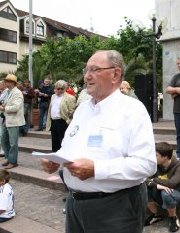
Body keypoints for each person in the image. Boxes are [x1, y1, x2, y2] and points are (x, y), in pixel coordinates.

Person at [40, 50, 157, 233]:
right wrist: (56, 159)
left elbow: (146, 164)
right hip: (75, 204)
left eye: (94, 70)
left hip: (115, 208)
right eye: (86, 70)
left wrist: (97, 169)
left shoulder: (133, 110)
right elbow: (68, 147)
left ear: (115, 74)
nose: (87, 76)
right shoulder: (82, 110)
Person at [144, 142, 180, 232]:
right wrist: (157, 185)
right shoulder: (156, 165)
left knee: (167, 192)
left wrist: (155, 180)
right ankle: (156, 215)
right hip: (160, 194)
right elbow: (144, 179)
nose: (153, 158)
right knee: (144, 188)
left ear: (164, 157)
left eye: (156, 155)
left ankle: (173, 218)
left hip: (179, 197)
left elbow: (171, 183)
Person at [0, 74, 25, 170]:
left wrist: (3, 108)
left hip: (14, 120)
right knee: (3, 139)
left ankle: (13, 161)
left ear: (12, 83)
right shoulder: (7, 91)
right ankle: (8, 157)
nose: (5, 82)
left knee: (13, 143)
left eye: (7, 81)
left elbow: (16, 107)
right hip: (6, 119)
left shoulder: (17, 93)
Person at [46, 80, 76, 152]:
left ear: (65, 89)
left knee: (63, 142)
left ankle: (63, 159)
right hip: (53, 122)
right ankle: (55, 159)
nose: (59, 90)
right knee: (55, 142)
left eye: (61, 89)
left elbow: (72, 112)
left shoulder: (70, 98)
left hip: (63, 122)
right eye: (57, 88)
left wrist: (68, 122)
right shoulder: (53, 96)